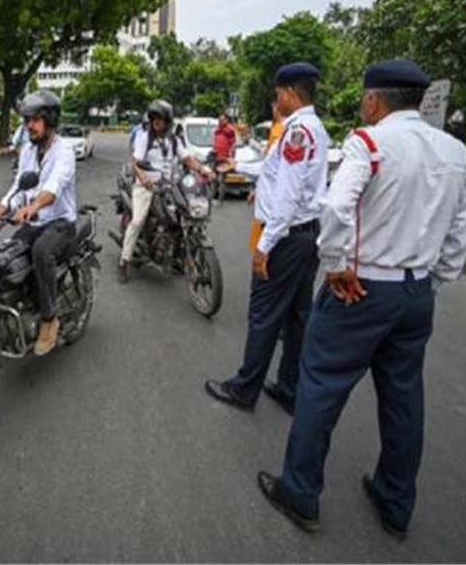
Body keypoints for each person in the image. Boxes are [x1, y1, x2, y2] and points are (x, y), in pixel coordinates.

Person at [256, 59, 466, 538]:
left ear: (374, 100)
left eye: (363, 97)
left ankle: (300, 492)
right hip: (416, 293)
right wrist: (432, 280)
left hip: (360, 289)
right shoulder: (456, 152)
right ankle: (395, 502)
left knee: (321, 384)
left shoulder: (369, 143)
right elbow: (459, 232)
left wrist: (335, 265)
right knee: (403, 397)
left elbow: (337, 207)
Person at [205, 62, 330, 416]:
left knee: (264, 314)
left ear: (289, 93)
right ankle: (290, 389)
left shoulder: (296, 133)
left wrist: (264, 246)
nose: (277, 101)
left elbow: (287, 196)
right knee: (296, 317)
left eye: (278, 94)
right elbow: (275, 172)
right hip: (307, 237)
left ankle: (244, 389)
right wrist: (236, 167)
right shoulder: (314, 128)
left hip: (286, 239)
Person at [0, 90, 77, 356]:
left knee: (41, 251)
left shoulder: (64, 151)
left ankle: (49, 319)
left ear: (50, 120)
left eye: (35, 120)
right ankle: (23, 305)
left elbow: (54, 187)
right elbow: (19, 186)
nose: (29, 125)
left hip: (60, 223)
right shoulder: (28, 149)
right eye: (27, 120)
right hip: (34, 223)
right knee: (6, 255)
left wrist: (33, 207)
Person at [118, 99, 210, 283]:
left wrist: (202, 169)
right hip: (146, 186)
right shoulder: (144, 137)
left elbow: (187, 159)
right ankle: (124, 262)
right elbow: (136, 162)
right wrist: (143, 178)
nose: (157, 122)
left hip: (168, 186)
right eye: (154, 118)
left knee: (183, 215)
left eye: (160, 118)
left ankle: (177, 256)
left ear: (168, 121)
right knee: (137, 221)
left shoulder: (174, 140)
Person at [213, 111, 238, 203]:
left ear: (227, 120)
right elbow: (215, 142)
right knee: (214, 178)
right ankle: (213, 198)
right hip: (216, 157)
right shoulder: (217, 129)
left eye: (222, 119)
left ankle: (220, 200)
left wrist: (232, 158)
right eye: (219, 119)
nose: (220, 121)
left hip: (225, 158)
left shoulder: (230, 130)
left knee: (222, 180)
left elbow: (233, 145)